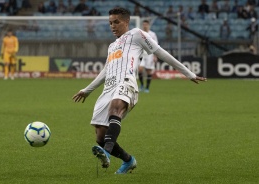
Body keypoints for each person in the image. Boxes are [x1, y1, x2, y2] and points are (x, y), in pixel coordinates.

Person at [72, 7, 206, 174]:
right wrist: (87, 90)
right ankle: (128, 161)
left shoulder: (136, 34)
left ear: (126, 22)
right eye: (110, 23)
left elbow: (161, 53)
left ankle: (105, 153)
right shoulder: (112, 46)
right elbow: (105, 71)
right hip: (109, 88)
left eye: (116, 22)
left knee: (115, 108)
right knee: (100, 135)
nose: (113, 26)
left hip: (127, 83)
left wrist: (188, 73)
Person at [138, 20, 158, 93]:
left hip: (150, 54)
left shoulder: (152, 34)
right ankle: (142, 85)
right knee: (140, 69)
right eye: (143, 24)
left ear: (148, 25)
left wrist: (155, 56)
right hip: (142, 54)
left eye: (146, 24)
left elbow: (156, 45)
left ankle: (147, 88)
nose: (145, 26)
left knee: (148, 71)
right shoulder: (140, 33)